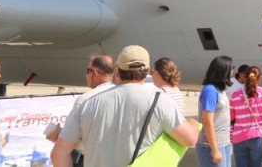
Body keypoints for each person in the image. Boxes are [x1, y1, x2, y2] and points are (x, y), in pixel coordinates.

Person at [52, 45, 198, 167]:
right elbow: (190, 140)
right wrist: (193, 123)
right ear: (147, 70)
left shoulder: (88, 101)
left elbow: (58, 154)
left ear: (117, 69)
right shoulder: (160, 101)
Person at [230, 64, 262, 167]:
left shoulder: (235, 94)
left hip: (239, 137)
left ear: (244, 77)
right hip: (257, 137)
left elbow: (231, 116)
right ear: (259, 78)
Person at [196, 55, 234, 167]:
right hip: (211, 146)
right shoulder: (210, 90)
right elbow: (207, 121)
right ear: (224, 70)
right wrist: (215, 149)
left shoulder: (219, 89)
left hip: (224, 143)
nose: (232, 71)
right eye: (231, 68)